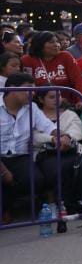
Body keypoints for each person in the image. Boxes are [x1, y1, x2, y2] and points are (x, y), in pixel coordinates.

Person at [0, 72, 53, 224]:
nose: (32, 92)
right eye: (28, 88)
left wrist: (60, 135)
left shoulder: (32, 107)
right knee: (4, 178)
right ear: (11, 88)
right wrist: (3, 171)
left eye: (34, 88)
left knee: (35, 179)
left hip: (20, 156)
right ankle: (5, 209)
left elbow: (47, 126)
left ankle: (7, 205)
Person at [33, 88, 82, 230]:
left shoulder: (70, 114)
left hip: (69, 151)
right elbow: (34, 137)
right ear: (41, 99)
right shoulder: (35, 115)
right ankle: (61, 206)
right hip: (45, 152)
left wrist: (67, 138)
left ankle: (75, 203)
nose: (56, 99)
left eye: (59, 96)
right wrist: (53, 139)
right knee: (56, 169)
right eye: (51, 97)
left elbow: (77, 131)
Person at [21, 31, 82, 100]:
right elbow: (25, 85)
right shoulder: (27, 60)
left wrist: (80, 100)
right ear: (40, 44)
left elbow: (78, 80)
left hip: (65, 104)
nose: (56, 45)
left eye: (57, 42)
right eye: (51, 42)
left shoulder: (65, 56)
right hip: (37, 104)